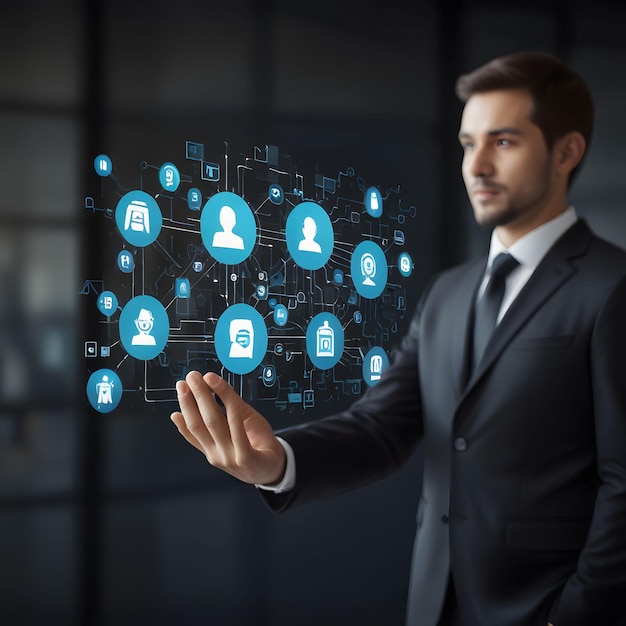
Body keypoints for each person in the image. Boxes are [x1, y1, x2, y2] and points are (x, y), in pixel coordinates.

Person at [170, 51, 626, 625]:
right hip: (433, 603)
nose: (477, 165)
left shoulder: (612, 289)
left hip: (545, 609)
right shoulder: (448, 293)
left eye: (503, 142)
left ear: (567, 152)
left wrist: (578, 615)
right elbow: (383, 427)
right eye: (467, 143)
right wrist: (278, 461)